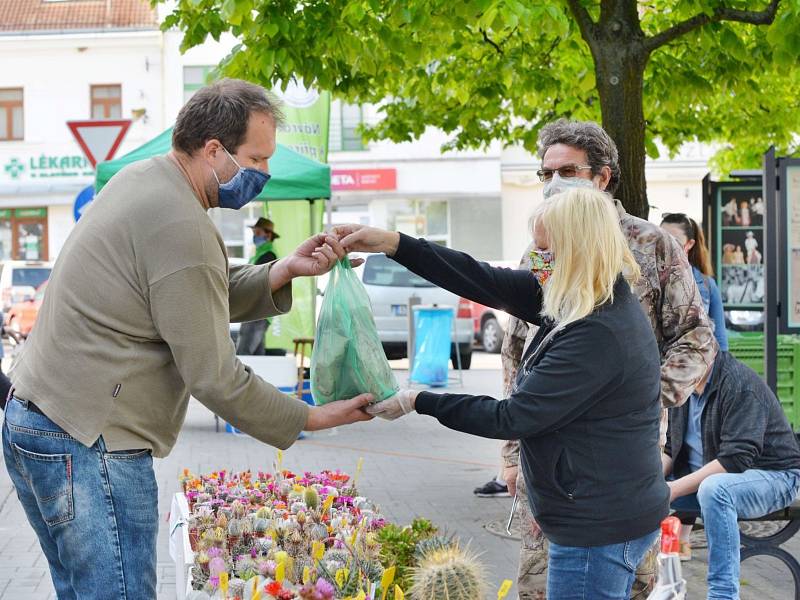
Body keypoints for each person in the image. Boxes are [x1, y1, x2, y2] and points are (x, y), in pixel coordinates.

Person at [2, 79, 373, 600]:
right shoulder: (181, 223)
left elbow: (191, 293)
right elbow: (213, 376)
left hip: (42, 421)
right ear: (214, 150)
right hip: (90, 442)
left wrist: (283, 270)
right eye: (257, 159)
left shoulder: (148, 180)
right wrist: (310, 416)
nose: (265, 174)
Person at [337, 187, 670, 598]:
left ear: (577, 250)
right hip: (603, 510)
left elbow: (511, 417)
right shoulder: (584, 299)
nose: (534, 260)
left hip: (596, 526)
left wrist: (417, 400)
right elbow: (482, 279)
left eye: (544, 250)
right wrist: (393, 244)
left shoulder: (598, 332)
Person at [489, 119, 718, 598]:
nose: (553, 184)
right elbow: (516, 349)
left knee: (626, 585)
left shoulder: (652, 245)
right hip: (548, 460)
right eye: (544, 174)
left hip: (620, 464)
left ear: (603, 177)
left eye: (567, 172)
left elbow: (697, 337)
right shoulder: (541, 249)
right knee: (542, 584)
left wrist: (646, 397)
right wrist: (510, 453)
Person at [664, 350, 800, 598]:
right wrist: (646, 482)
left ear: (705, 351)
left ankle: (723, 594)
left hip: (776, 477)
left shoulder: (738, 384)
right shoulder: (683, 384)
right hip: (707, 478)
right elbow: (671, 449)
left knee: (716, 489)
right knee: (636, 488)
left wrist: (671, 489)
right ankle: (640, 581)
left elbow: (734, 459)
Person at [660, 213, 728, 352]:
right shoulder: (648, 280)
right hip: (660, 366)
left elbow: (721, 342)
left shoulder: (706, 285)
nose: (667, 246)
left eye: (675, 241)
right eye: (662, 239)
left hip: (697, 368)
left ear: (690, 244)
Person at [236, 217, 280, 355]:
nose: (255, 236)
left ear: (268, 235)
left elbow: (257, 282)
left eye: (258, 233)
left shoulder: (268, 255)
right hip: (257, 311)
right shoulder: (261, 254)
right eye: (254, 233)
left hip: (257, 311)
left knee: (244, 353)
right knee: (257, 355)